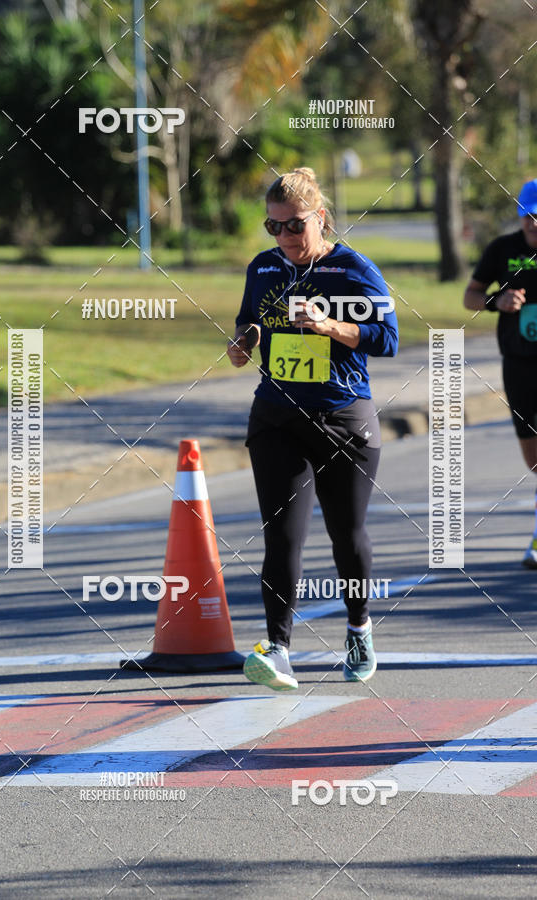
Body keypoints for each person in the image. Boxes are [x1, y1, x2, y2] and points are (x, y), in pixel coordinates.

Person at [227, 167, 398, 691]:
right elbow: (246, 322)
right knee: (282, 537)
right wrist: (242, 343)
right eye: (273, 227)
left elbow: (387, 339)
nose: (285, 238)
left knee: (346, 535)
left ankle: (358, 627)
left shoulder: (353, 270)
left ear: (320, 218)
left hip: (343, 418)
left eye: (294, 226)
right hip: (277, 419)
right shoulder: (263, 270)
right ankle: (278, 649)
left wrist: (329, 325)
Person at [463, 179, 537, 569]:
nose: (534, 224)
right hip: (518, 362)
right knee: (533, 458)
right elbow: (469, 296)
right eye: (528, 216)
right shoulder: (502, 250)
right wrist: (498, 301)